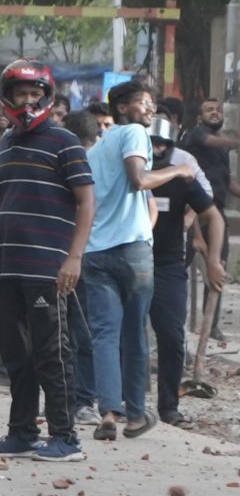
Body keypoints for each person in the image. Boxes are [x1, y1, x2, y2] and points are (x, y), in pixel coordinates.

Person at [0, 59, 95, 462]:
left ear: (46, 97)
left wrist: (74, 257)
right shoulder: (4, 146)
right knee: (16, 356)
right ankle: (22, 432)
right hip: (7, 268)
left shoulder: (65, 142)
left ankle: (65, 437)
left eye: (35, 94)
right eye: (20, 94)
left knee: (51, 353)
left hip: (48, 268)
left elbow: (86, 202)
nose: (28, 102)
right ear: (7, 99)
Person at [76, 80, 192, 440]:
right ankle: (136, 415)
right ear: (123, 108)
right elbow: (139, 179)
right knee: (135, 333)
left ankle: (108, 413)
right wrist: (177, 171)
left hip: (96, 250)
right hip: (132, 250)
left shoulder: (95, 149)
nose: (150, 109)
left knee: (105, 335)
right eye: (144, 103)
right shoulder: (134, 134)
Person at [147, 114, 225, 425]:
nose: (156, 152)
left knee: (171, 337)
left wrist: (214, 259)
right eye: (150, 145)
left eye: (162, 146)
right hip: (127, 262)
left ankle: (168, 406)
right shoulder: (128, 175)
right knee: (122, 337)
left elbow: (215, 217)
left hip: (168, 264)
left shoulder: (182, 178)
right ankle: (117, 402)